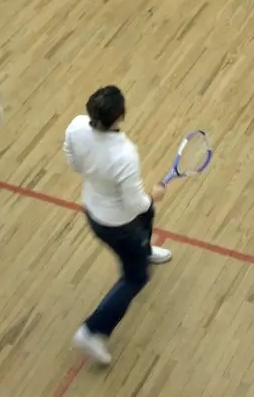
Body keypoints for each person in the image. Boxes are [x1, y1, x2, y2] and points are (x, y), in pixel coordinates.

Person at [62, 85, 172, 365]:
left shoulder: (75, 127)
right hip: (118, 224)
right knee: (135, 277)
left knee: (146, 219)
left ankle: (144, 250)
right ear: (121, 115)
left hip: (93, 211)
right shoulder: (124, 154)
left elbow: (73, 162)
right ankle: (92, 330)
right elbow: (136, 204)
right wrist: (153, 196)